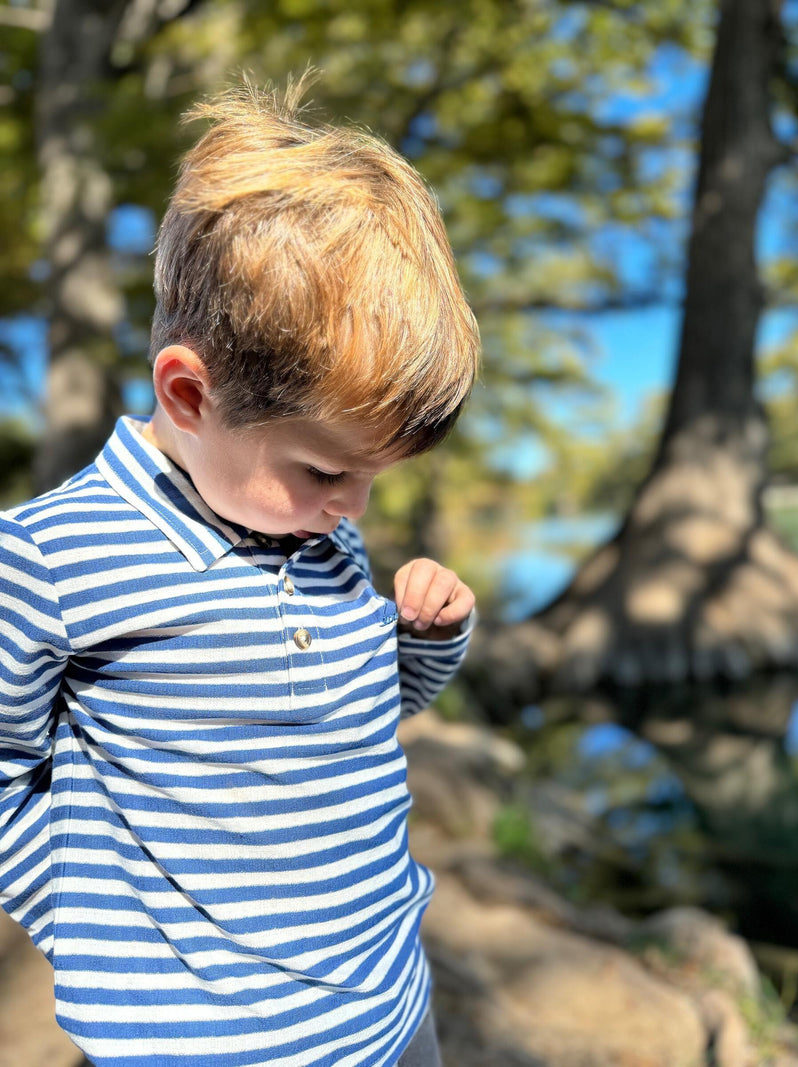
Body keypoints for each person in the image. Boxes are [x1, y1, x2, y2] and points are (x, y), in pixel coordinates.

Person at [0, 79, 480, 1067]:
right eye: (325, 471)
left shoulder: (317, 532)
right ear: (187, 393)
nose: (353, 509)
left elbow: (366, 705)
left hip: (391, 1005)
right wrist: (92, 924)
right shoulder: (51, 558)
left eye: (371, 479)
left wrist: (424, 639)